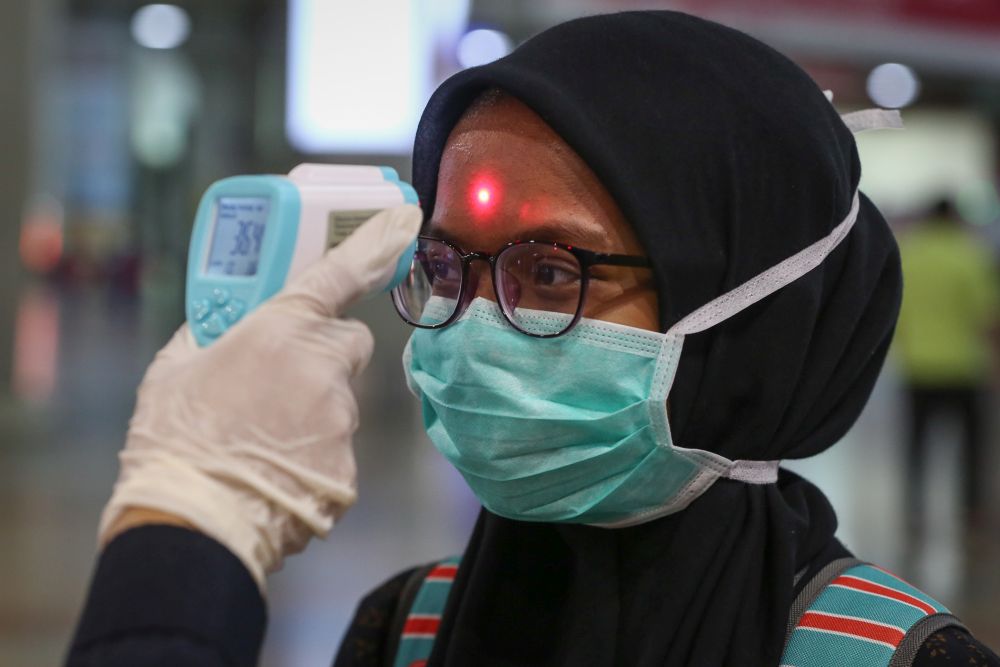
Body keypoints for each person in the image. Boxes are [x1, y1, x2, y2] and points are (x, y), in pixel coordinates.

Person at [67, 11, 999, 667]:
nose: (472, 326)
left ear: (748, 317)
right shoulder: (401, 628)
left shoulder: (890, 653)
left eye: (550, 272)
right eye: (443, 267)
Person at [894, 198, 999, 528]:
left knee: (916, 443)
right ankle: (971, 512)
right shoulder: (970, 256)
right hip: (963, 368)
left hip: (918, 367)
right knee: (971, 447)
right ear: (955, 219)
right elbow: (987, 316)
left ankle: (915, 509)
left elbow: (896, 312)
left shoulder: (910, 257)